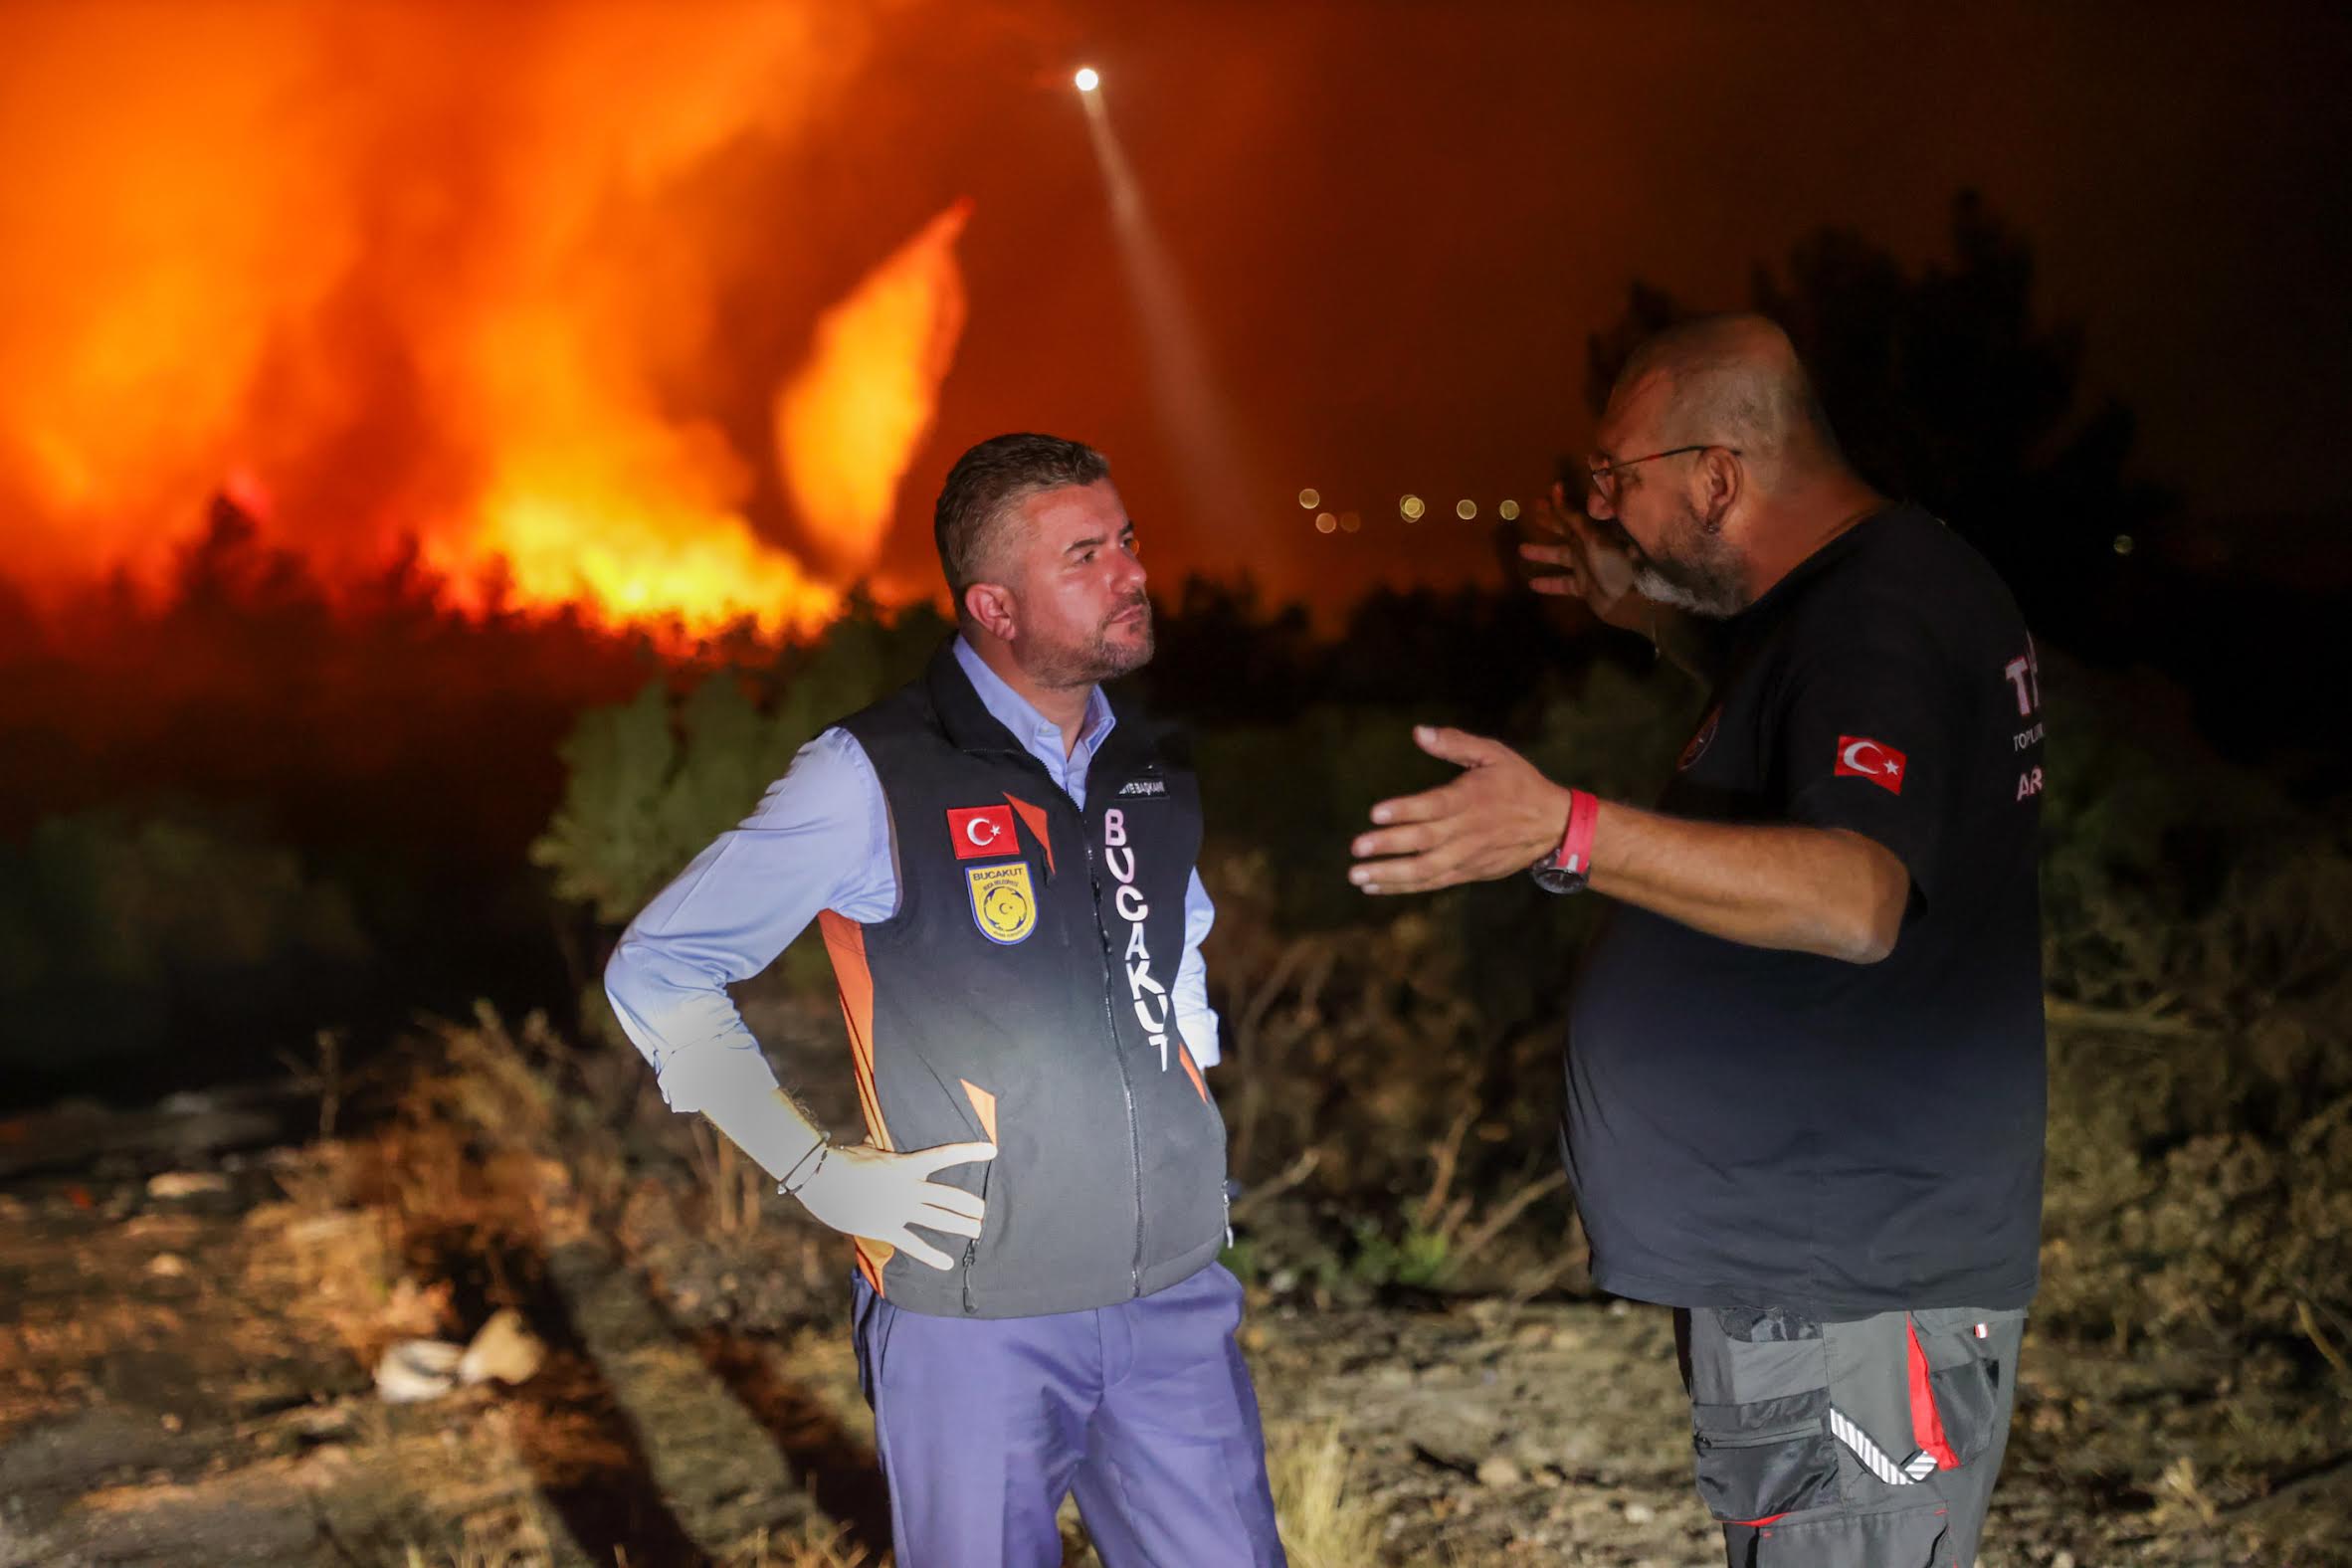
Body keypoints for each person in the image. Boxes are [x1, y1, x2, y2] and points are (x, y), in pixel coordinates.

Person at [1347, 315, 2048, 1568]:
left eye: (1616, 475)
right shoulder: (1861, 594)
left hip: (1853, 1280)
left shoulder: (1872, 616)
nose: (1600, 506)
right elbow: (1794, 715)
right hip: (1821, 1266)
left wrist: (1565, 829)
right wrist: (1652, 617)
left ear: (1718, 476)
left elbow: (1855, 898)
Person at [605, 434, 1284, 1567]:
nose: (1131, 573)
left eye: (1126, 540)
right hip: (973, 1317)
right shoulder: (869, 774)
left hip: (1172, 1296)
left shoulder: (1148, 760)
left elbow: (1179, 947)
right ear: (994, 607)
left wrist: (1186, 1137)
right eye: (1085, 556)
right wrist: (815, 1170)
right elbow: (659, 966)